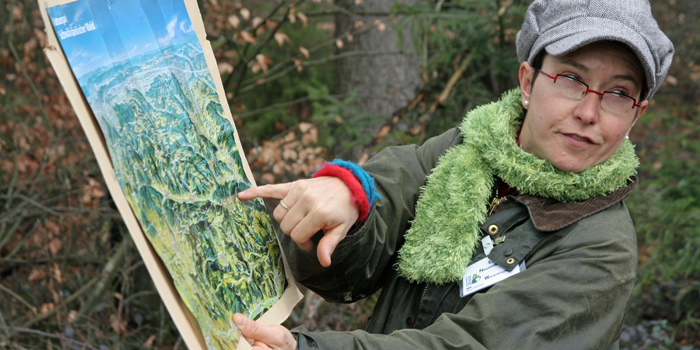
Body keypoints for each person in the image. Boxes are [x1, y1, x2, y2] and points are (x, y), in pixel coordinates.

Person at [234, 0, 674, 348]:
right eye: (572, 79)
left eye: (618, 93)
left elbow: (475, 345)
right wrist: (347, 201)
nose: (588, 112)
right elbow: (389, 195)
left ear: (636, 115)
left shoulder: (602, 249)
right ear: (527, 82)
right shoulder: (467, 153)